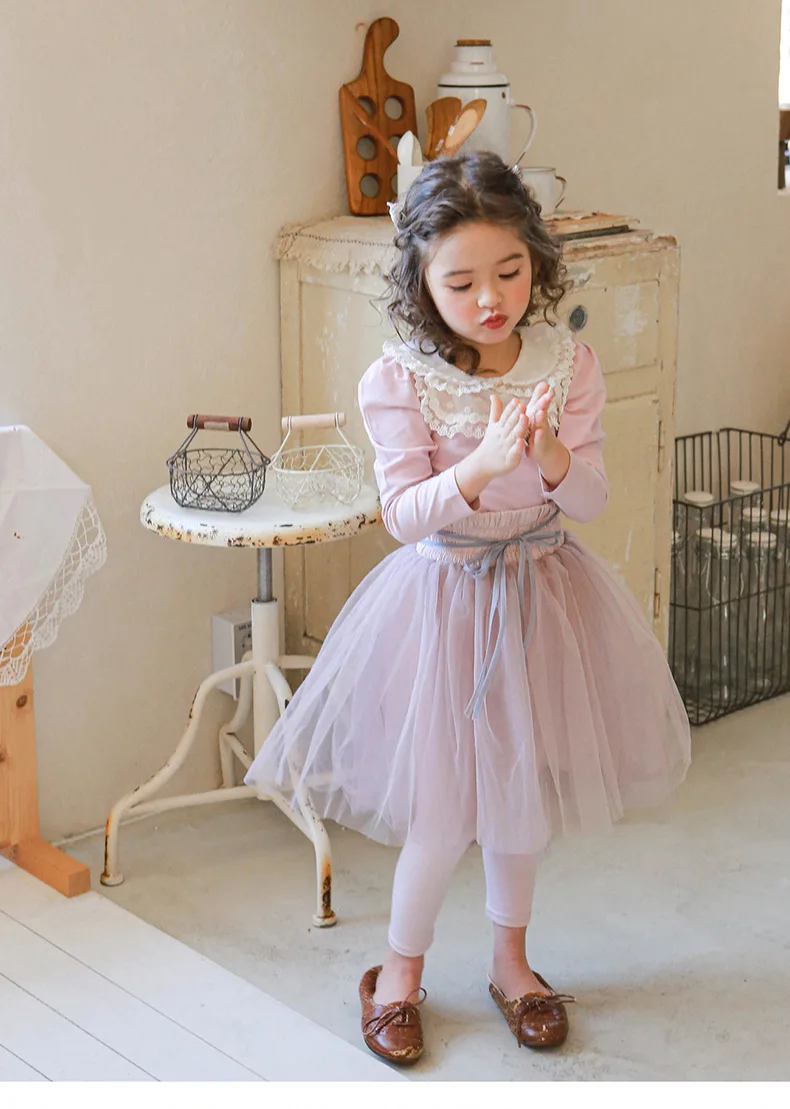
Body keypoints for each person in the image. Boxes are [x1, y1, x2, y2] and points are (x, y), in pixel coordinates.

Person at [245, 151, 690, 1064]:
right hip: (445, 606)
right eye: (461, 282)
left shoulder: (568, 363)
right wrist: (482, 465)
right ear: (421, 281)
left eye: (510, 271)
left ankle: (512, 964)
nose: (491, 299)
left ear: (537, 259)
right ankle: (397, 974)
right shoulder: (400, 378)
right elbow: (405, 516)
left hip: (540, 596)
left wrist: (552, 454)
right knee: (444, 813)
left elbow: (592, 498)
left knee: (519, 798)